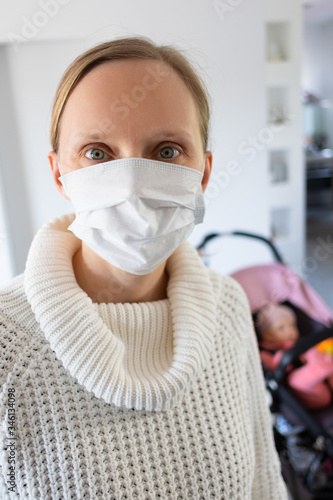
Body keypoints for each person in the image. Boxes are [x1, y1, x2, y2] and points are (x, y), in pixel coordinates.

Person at [0, 36, 288, 499]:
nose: (132, 183)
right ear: (59, 175)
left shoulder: (230, 308)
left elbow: (264, 485)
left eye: (167, 151)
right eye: (97, 152)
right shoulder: (7, 343)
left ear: (204, 174)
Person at [257, 303, 333, 409]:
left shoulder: (300, 342)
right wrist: (280, 358)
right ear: (267, 335)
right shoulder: (266, 353)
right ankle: (322, 367)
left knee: (314, 352)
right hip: (307, 391)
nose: (290, 331)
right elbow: (272, 372)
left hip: (323, 380)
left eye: (292, 325)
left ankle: (325, 365)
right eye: (281, 328)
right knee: (296, 380)